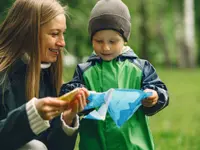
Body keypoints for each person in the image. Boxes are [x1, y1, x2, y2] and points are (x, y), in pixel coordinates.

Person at [60, 0, 169, 150]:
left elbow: (159, 91)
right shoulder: (85, 70)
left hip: (132, 145)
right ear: (91, 39)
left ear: (124, 40)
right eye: (99, 41)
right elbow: (69, 94)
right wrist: (78, 95)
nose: (105, 47)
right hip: (94, 145)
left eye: (113, 41)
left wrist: (154, 97)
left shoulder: (140, 68)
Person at [0, 0, 89, 150]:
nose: (62, 43)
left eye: (63, 34)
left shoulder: (50, 78)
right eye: (55, 34)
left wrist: (67, 120)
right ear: (28, 33)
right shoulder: (3, 77)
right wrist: (31, 115)